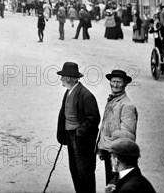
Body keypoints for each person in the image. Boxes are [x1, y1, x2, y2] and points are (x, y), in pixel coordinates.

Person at [56, 61, 100, 193]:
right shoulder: (68, 92)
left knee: (84, 172)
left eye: (62, 76)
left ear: (68, 78)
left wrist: (79, 133)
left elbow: (94, 119)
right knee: (74, 169)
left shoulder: (86, 95)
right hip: (71, 138)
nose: (61, 79)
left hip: (82, 140)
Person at [95, 69, 138, 185]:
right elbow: (105, 126)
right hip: (109, 151)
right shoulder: (112, 100)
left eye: (119, 82)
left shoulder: (127, 105)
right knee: (110, 185)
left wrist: (110, 142)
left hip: (118, 155)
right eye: (113, 81)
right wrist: (101, 147)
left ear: (125, 84)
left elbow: (128, 135)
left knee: (117, 185)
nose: (115, 85)